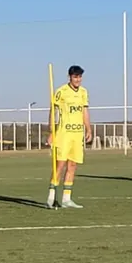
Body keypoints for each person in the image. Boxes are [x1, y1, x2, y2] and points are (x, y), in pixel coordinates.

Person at [46, 65, 92, 209]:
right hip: (64, 134)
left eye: (79, 77)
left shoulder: (84, 92)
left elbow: (84, 111)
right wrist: (52, 132)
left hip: (77, 135)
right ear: (70, 77)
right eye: (75, 77)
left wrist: (88, 128)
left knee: (73, 165)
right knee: (60, 164)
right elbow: (53, 111)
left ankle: (67, 198)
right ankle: (51, 197)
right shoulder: (61, 92)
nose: (77, 79)